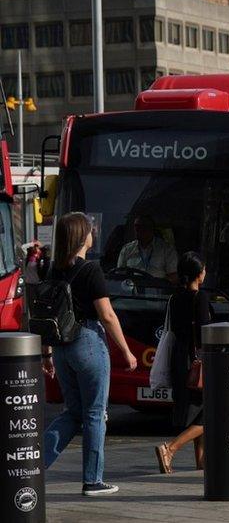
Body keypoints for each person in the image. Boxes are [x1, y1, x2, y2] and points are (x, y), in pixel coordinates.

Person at [42, 212, 139, 496]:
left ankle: (32, 467)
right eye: (90, 230)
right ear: (82, 236)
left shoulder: (53, 270)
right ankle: (93, 480)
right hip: (87, 341)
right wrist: (126, 351)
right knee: (96, 412)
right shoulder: (90, 270)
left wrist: (48, 353)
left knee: (73, 412)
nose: (93, 234)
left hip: (61, 346)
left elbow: (49, 314)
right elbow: (107, 315)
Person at [154, 252, 212, 474]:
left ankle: (201, 461)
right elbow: (205, 331)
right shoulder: (201, 298)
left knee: (199, 410)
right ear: (199, 274)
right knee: (209, 412)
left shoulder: (175, 297)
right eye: (204, 269)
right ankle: (170, 448)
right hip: (197, 360)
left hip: (180, 358)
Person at [116, 215, 178, 282]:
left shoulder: (166, 249)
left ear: (151, 228)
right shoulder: (127, 249)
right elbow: (120, 275)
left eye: (141, 226)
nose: (138, 229)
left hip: (158, 290)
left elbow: (173, 276)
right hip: (132, 289)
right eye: (136, 226)